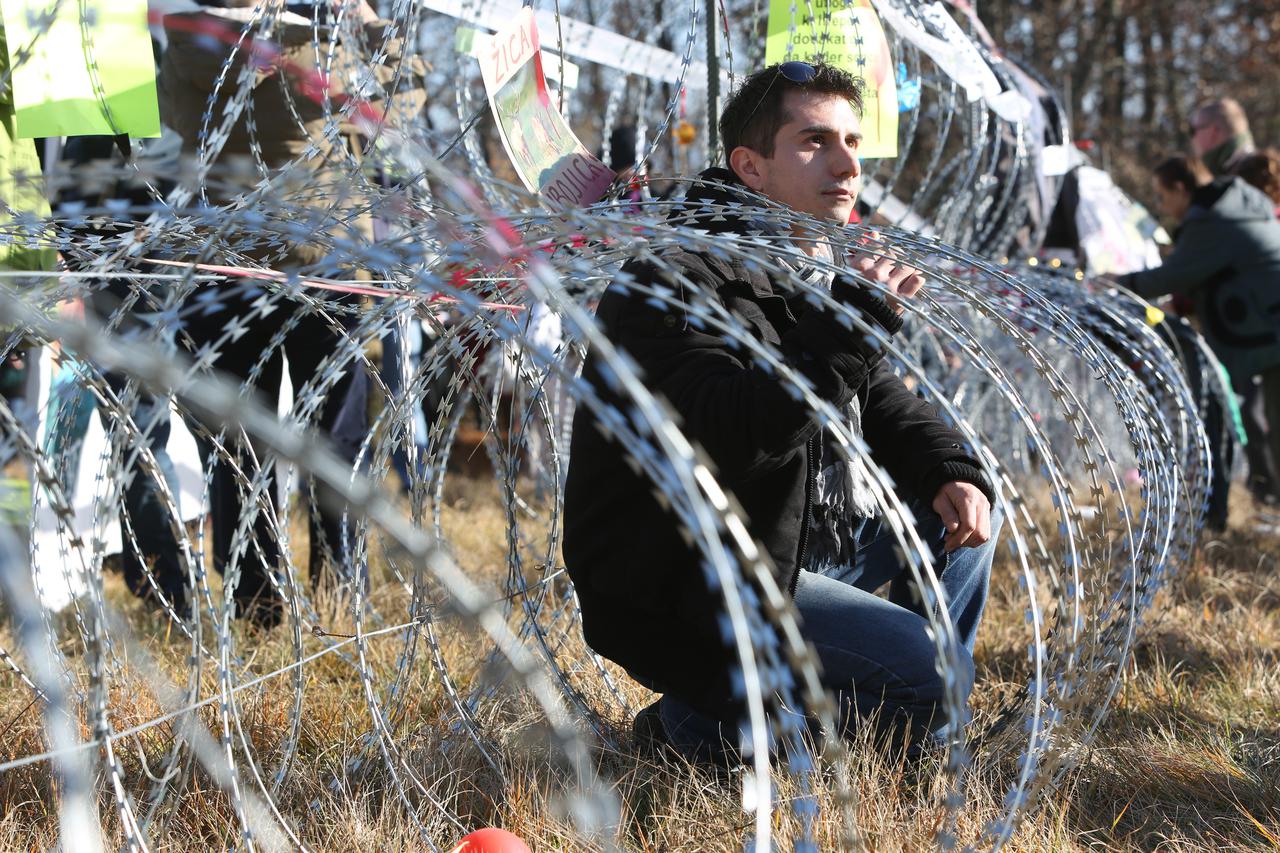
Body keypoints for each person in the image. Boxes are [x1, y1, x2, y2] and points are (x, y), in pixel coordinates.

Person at [563, 62, 1001, 764]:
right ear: (752, 167)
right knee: (935, 678)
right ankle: (713, 721)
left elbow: (876, 395)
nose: (847, 163)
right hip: (697, 576)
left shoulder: (803, 258)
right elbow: (738, 433)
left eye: (854, 141)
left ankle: (860, 700)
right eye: (814, 141)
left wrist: (950, 468)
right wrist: (857, 322)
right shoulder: (676, 276)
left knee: (964, 506)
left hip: (790, 532)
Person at [1119, 156, 1280, 523]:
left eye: (1162, 196)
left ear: (1181, 188)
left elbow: (1170, 277)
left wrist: (1118, 282)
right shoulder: (1236, 208)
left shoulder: (1212, 221)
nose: (1162, 207)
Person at [1189, 97, 1256, 178]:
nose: (1193, 138)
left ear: (1213, 131)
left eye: (1193, 130)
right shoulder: (1259, 167)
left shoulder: (1242, 176)